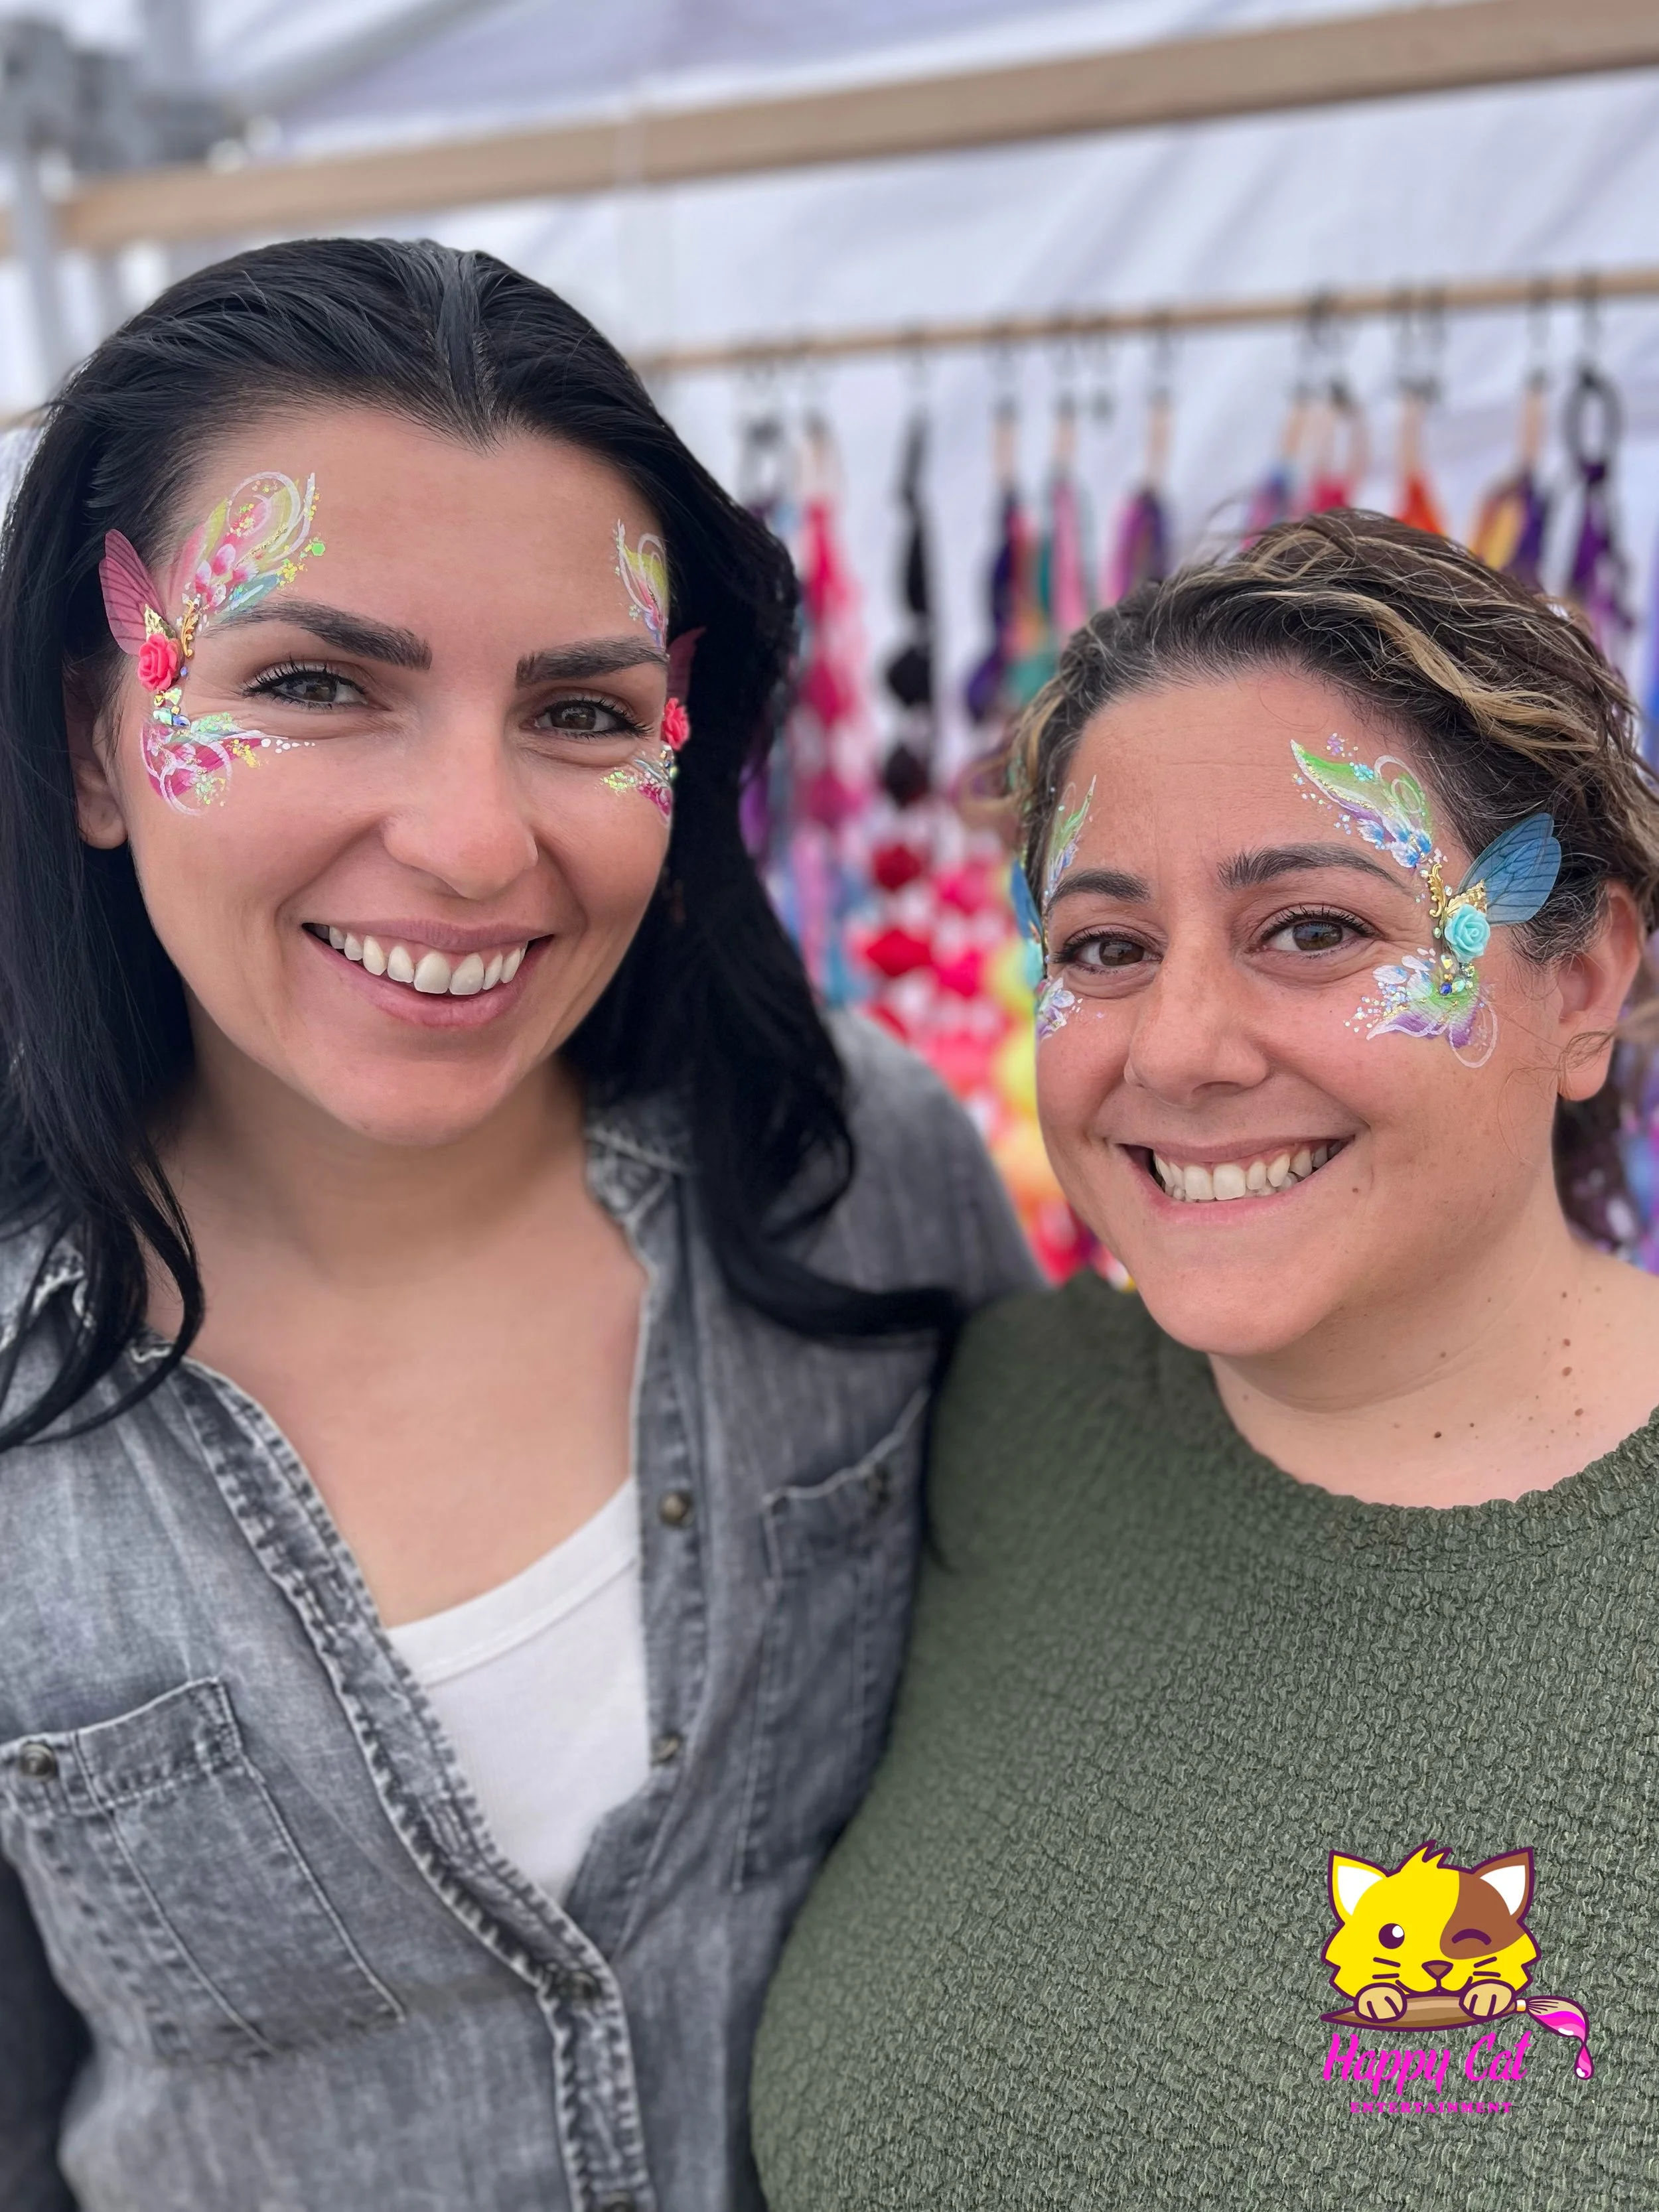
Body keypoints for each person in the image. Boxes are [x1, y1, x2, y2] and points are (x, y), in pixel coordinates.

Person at [0, 238, 1035, 2212]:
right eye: (313, 683)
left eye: (579, 707)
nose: (475, 840)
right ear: (87, 741)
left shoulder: (852, 1168)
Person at [752, 512, 1659, 2207]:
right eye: (1103, 947)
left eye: (1309, 928)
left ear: (1584, 982)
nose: (1174, 1048)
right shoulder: (1002, 1417)